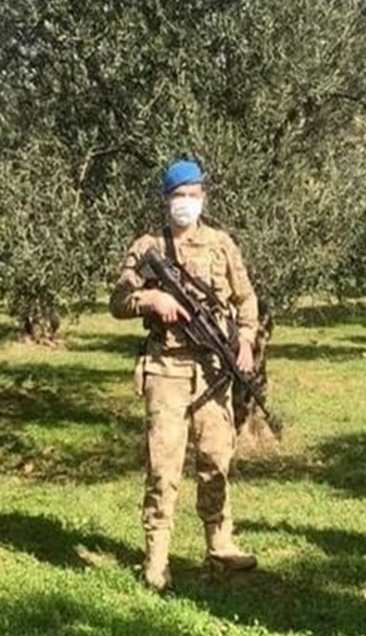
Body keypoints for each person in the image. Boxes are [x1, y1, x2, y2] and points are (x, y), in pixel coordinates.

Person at [109, 158, 260, 592]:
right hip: (167, 370)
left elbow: (246, 299)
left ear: (203, 198)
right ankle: (156, 558)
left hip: (213, 370)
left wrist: (246, 341)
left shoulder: (221, 244)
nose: (187, 203)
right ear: (166, 200)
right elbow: (118, 301)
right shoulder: (147, 246)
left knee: (216, 459)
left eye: (194, 195)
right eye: (180, 196)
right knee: (164, 466)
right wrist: (151, 299)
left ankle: (220, 545)